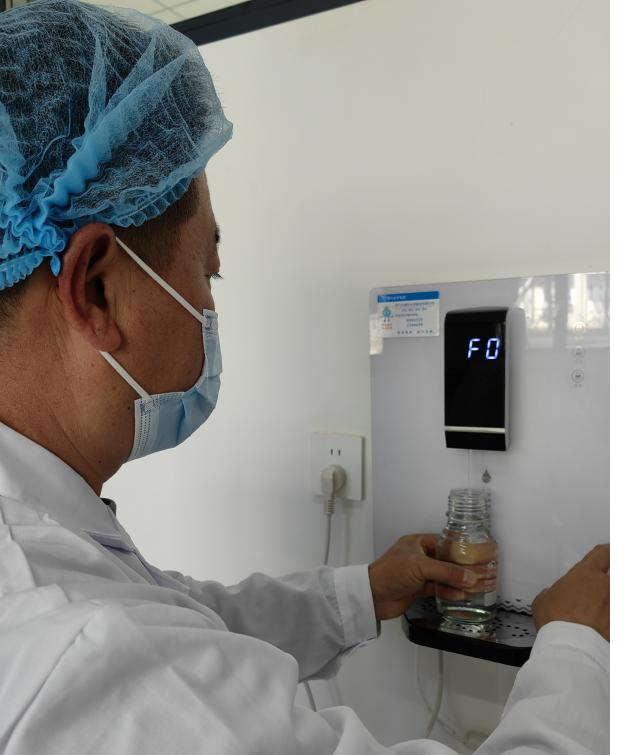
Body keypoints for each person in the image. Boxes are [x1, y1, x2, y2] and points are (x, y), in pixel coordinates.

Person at [0, 2, 610, 753]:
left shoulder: (47, 545)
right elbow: (155, 656)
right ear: (96, 289)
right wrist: (577, 644)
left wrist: (365, 591)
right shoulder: (82, 652)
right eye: (207, 272)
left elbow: (184, 616)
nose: (207, 307)